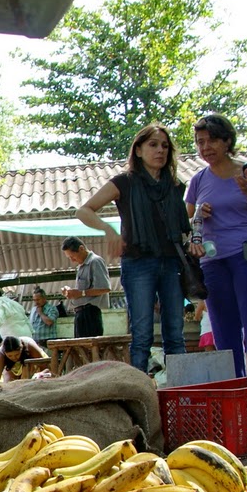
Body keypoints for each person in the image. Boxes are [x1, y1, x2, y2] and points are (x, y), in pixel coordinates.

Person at [76, 123, 191, 372]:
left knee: (175, 335)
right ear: (138, 150)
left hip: (172, 263)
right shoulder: (124, 182)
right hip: (139, 263)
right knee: (142, 336)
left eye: (164, 146)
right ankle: (138, 397)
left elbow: (184, 227)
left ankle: (183, 399)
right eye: (153, 145)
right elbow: (83, 210)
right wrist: (109, 230)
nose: (160, 150)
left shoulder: (175, 186)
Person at [185, 113, 247, 377]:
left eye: (211, 141)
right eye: (199, 142)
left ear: (227, 141)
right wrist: (198, 215)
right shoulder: (198, 180)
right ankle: (234, 387)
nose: (205, 148)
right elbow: (186, 219)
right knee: (223, 329)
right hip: (212, 263)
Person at [60, 237, 111, 338]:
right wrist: (71, 292)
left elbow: (105, 288)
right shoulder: (81, 266)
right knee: (81, 349)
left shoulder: (95, 261)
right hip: (80, 313)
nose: (72, 260)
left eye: (72, 256)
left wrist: (80, 293)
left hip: (90, 314)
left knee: (91, 349)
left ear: (81, 249)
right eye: (69, 258)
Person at [0, 286, 32, 352]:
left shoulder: (0, 304)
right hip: (27, 336)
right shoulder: (12, 303)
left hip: (15, 338)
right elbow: (26, 319)